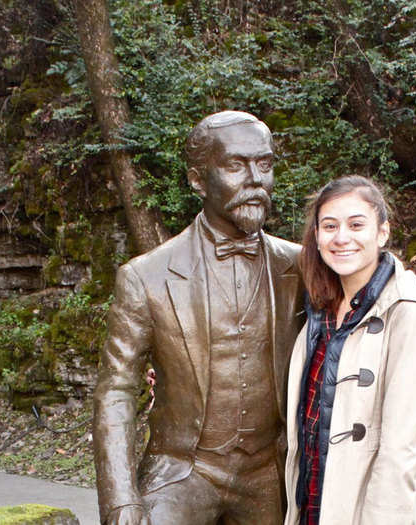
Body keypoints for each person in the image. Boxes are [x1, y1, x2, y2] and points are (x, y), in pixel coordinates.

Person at [93, 110, 304, 525]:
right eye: (235, 166)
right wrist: (120, 500)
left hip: (269, 472)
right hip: (182, 470)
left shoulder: (300, 267)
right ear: (196, 179)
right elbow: (116, 389)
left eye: (264, 164)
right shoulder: (146, 276)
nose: (255, 180)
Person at [284, 176, 416, 525]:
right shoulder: (318, 310)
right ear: (316, 236)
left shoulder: (411, 314)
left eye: (356, 224)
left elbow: (401, 451)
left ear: (382, 233)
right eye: (329, 226)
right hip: (314, 503)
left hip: (370, 510)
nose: (341, 237)